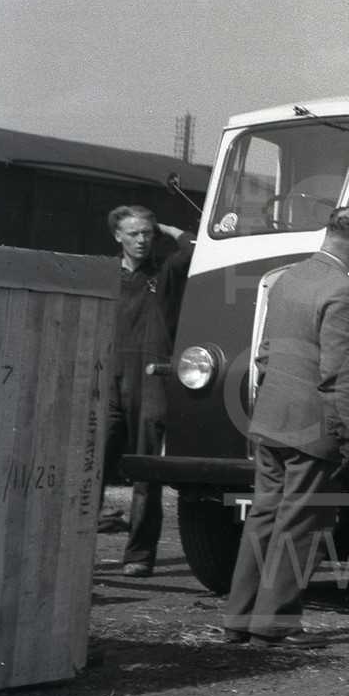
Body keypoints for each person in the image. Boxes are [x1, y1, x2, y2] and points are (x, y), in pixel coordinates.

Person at [220, 205, 349, 646]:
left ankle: (239, 618)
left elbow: (266, 353)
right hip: (311, 427)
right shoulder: (342, 292)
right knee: (299, 524)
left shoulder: (287, 279)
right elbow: (338, 374)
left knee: (264, 518)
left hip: (270, 420)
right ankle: (276, 622)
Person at [104, 204, 194, 576]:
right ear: (117, 236)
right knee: (91, 464)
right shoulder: (105, 275)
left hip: (152, 380)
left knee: (146, 473)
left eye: (147, 233)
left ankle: (139, 556)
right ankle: (75, 554)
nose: (142, 240)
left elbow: (194, 249)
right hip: (108, 378)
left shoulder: (165, 274)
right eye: (134, 233)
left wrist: (170, 228)